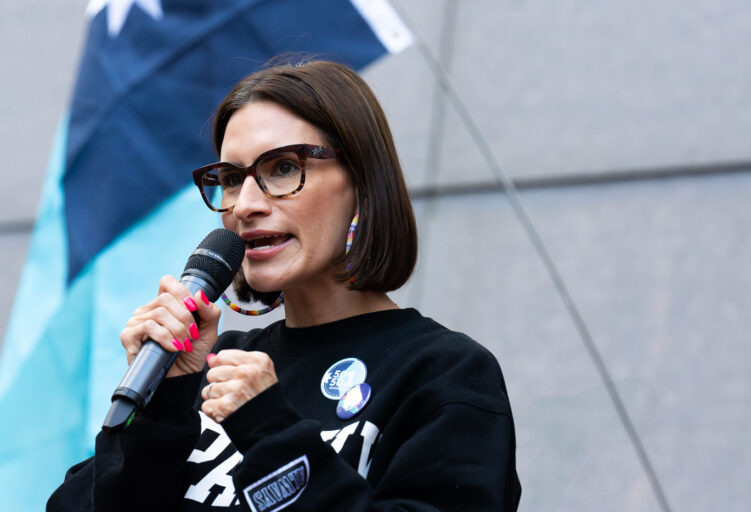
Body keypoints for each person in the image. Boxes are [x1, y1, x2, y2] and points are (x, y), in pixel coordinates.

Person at [48, 60, 521, 511]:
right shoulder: (209, 369)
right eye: (232, 178)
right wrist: (164, 405)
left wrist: (270, 430)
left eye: (283, 168)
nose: (244, 205)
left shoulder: (443, 373)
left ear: (362, 181)